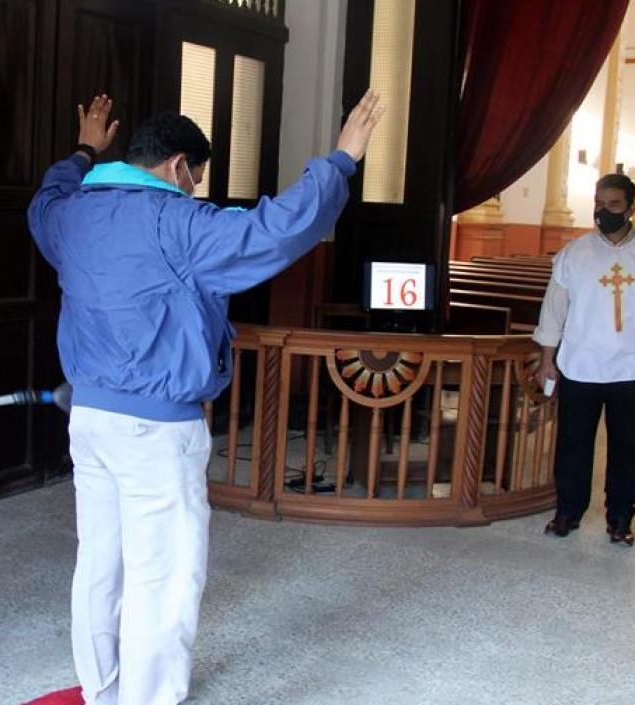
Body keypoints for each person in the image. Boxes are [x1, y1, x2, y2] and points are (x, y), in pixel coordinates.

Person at [27, 91, 383, 705]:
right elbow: (277, 230)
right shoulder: (180, 224)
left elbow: (44, 200)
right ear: (178, 168)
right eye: (197, 176)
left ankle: (103, 687)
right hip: (157, 431)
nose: (198, 188)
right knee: (162, 577)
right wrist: (342, 160)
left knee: (100, 564)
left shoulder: (71, 215)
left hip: (88, 418)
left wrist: (84, 148)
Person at [534, 173, 635, 547]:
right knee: (573, 443)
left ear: (631, 208)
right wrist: (546, 359)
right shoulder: (574, 254)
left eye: (613, 205)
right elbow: (553, 311)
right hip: (581, 365)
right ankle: (568, 511)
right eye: (599, 204)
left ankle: (620, 516)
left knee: (628, 446)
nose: (604, 212)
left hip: (634, 368)